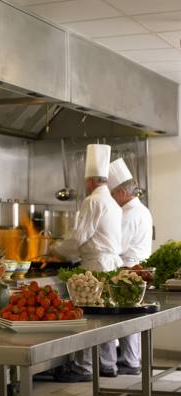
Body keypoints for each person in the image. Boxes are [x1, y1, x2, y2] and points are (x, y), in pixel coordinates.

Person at [51, 144, 123, 382]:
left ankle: (84, 368)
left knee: (89, 316)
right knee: (107, 317)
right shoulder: (113, 203)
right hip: (111, 266)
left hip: (95, 267)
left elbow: (78, 237)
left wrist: (54, 250)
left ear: (90, 180)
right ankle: (108, 364)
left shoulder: (92, 201)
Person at [108, 158, 153, 375]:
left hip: (129, 269)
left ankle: (131, 362)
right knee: (132, 317)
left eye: (113, 194)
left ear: (121, 192)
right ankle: (131, 360)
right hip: (139, 268)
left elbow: (119, 245)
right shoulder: (142, 210)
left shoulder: (128, 214)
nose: (113, 198)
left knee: (127, 318)